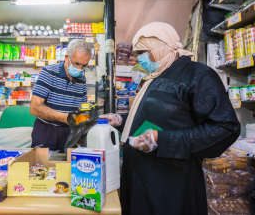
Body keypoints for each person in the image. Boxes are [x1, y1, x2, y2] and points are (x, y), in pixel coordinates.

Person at [101, 22, 240, 215]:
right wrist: (121, 120)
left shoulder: (198, 75)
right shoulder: (155, 75)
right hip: (140, 178)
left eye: (143, 52)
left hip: (170, 184)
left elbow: (225, 128)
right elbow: (156, 116)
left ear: (161, 46)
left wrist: (163, 140)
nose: (138, 58)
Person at [30, 39, 91, 151]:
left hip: (70, 133)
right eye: (77, 63)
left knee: (68, 167)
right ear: (67, 58)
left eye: (84, 66)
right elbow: (34, 108)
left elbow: (83, 107)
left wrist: (92, 116)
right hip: (46, 132)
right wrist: (66, 118)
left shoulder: (81, 79)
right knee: (42, 167)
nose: (79, 69)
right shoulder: (49, 72)